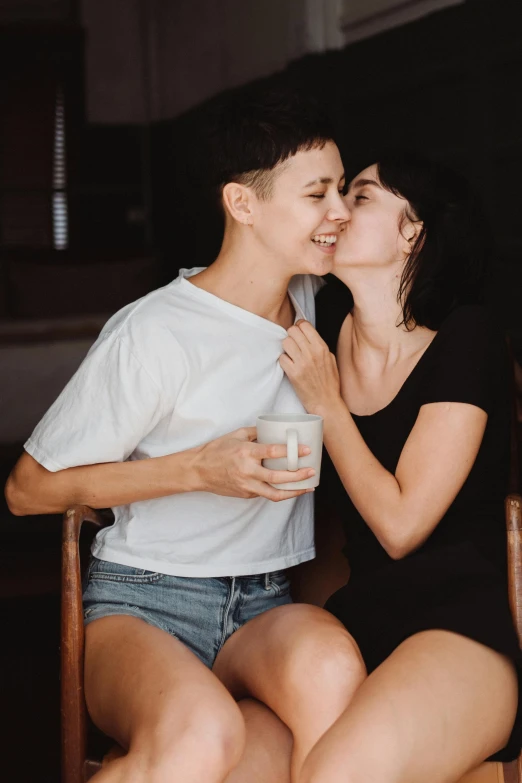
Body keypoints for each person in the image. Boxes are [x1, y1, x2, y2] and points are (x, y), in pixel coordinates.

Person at [4, 88, 356, 783]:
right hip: (141, 604)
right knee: (204, 735)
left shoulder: (314, 299)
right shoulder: (155, 331)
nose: (340, 212)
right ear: (243, 204)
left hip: (264, 601)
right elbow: (25, 490)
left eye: (344, 190)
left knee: (334, 670)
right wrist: (197, 469)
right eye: (318, 194)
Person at [269, 152, 521, 782]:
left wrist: (326, 405)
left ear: (413, 231)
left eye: (361, 196)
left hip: (461, 631)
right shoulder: (317, 336)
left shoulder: (469, 336)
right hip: (358, 625)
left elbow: (403, 525)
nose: (336, 210)